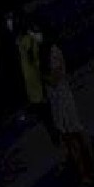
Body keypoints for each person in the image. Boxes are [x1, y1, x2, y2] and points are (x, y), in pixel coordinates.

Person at [37, 21, 94, 187]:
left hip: (62, 99)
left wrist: (41, 77)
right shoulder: (45, 53)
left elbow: (56, 77)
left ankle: (87, 172)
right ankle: (89, 168)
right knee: (72, 135)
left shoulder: (53, 52)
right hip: (57, 100)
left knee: (74, 135)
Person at [16, 12, 58, 146]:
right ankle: (55, 134)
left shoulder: (24, 41)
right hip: (34, 81)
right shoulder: (26, 41)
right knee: (46, 112)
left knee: (46, 111)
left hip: (33, 81)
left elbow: (32, 59)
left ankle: (55, 134)